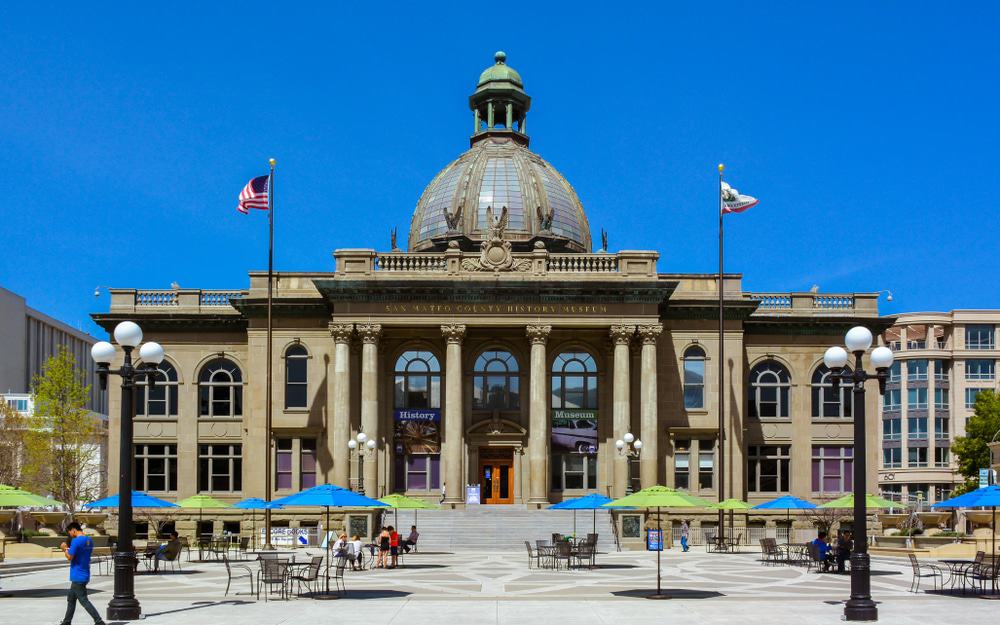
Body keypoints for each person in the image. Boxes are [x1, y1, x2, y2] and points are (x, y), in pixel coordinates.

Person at [59, 521, 106, 625]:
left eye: (70, 532)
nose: (70, 534)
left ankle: (99, 621)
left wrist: (64, 549)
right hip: (84, 573)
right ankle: (66, 622)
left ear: (74, 530)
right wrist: (69, 549)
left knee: (84, 600)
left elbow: (70, 557)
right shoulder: (89, 540)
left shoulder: (76, 541)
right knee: (71, 599)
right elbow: (80, 553)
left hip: (77, 575)